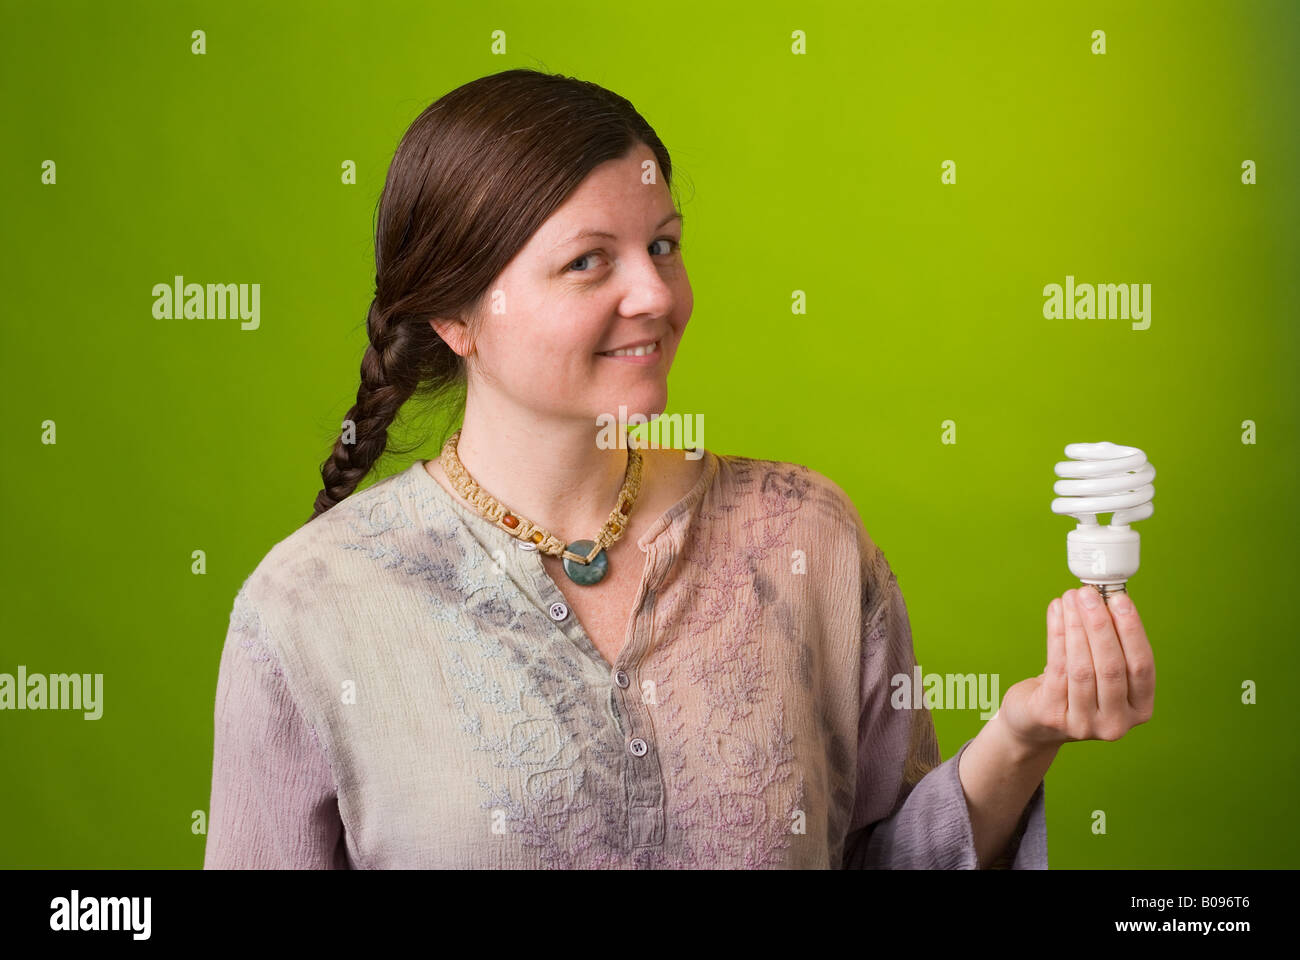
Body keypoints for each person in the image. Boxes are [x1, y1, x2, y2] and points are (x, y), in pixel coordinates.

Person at [202, 68, 1154, 870]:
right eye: (589, 262)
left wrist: (1022, 738)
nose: (655, 294)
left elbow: (876, 860)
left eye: (663, 244)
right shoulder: (311, 610)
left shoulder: (805, 537)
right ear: (456, 318)